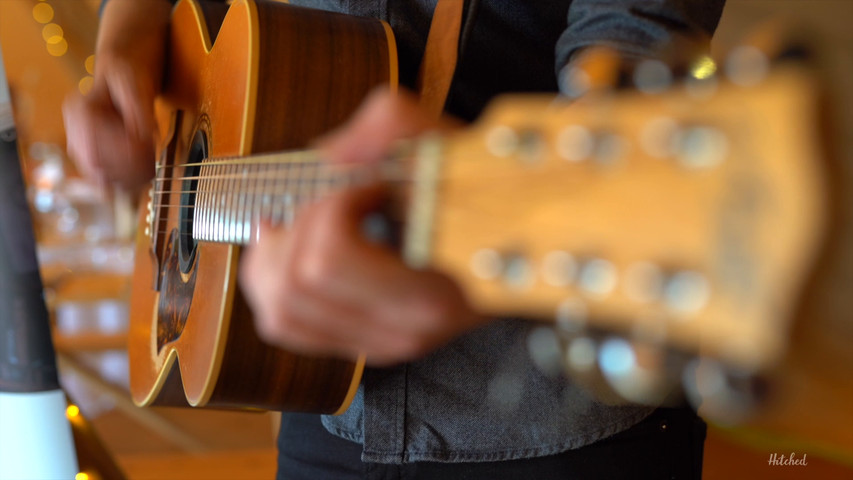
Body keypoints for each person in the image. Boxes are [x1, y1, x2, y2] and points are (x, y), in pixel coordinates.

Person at [64, 1, 726, 478]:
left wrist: (531, 198)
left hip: (554, 402)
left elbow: (635, 41)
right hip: (326, 398)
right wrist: (126, 37)